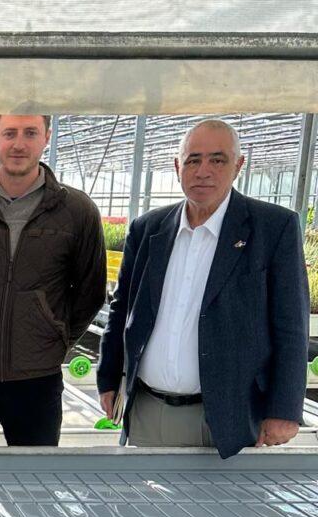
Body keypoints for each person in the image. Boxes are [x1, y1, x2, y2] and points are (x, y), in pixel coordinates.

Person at [97, 119, 308, 458]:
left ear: (238, 165)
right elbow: (122, 309)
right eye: (193, 160)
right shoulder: (148, 228)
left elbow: (291, 325)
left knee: (221, 495)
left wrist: (284, 409)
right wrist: (108, 378)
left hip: (228, 415)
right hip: (147, 409)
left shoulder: (272, 228)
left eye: (217, 160)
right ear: (177, 167)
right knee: (142, 492)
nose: (203, 171)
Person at [0, 114, 106, 446]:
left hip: (38, 379)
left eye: (30, 133)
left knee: (35, 473)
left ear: (46, 137)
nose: (19, 144)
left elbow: (90, 291)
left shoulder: (77, 211)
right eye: (9, 133)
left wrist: (54, 337)